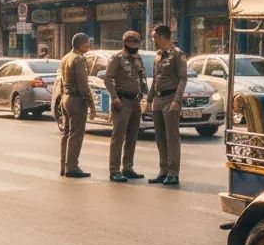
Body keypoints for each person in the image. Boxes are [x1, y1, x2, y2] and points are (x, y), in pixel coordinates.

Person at [103, 30, 148, 183]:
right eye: (131, 43)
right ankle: (114, 170)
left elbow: (142, 76)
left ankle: (128, 167)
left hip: (135, 101)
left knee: (132, 137)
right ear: (125, 43)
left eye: (136, 43)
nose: (134, 46)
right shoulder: (117, 58)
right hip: (122, 101)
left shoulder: (138, 58)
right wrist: (114, 97)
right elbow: (108, 79)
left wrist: (144, 94)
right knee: (118, 137)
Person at [148, 24, 187, 186]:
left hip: (170, 99)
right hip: (158, 100)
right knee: (160, 138)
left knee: (172, 138)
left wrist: (177, 101)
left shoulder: (177, 54)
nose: (153, 41)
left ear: (163, 37)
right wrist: (149, 99)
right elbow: (155, 79)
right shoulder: (158, 56)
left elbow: (183, 78)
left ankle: (173, 173)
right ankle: (163, 171)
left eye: (154, 37)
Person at [58, 32, 96, 178]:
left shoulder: (65, 58)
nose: (88, 45)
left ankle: (64, 165)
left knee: (66, 134)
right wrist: (91, 105)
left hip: (66, 98)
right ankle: (72, 167)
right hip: (76, 100)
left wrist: (62, 98)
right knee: (76, 135)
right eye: (87, 43)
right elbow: (83, 85)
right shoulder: (79, 59)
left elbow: (62, 81)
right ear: (81, 44)